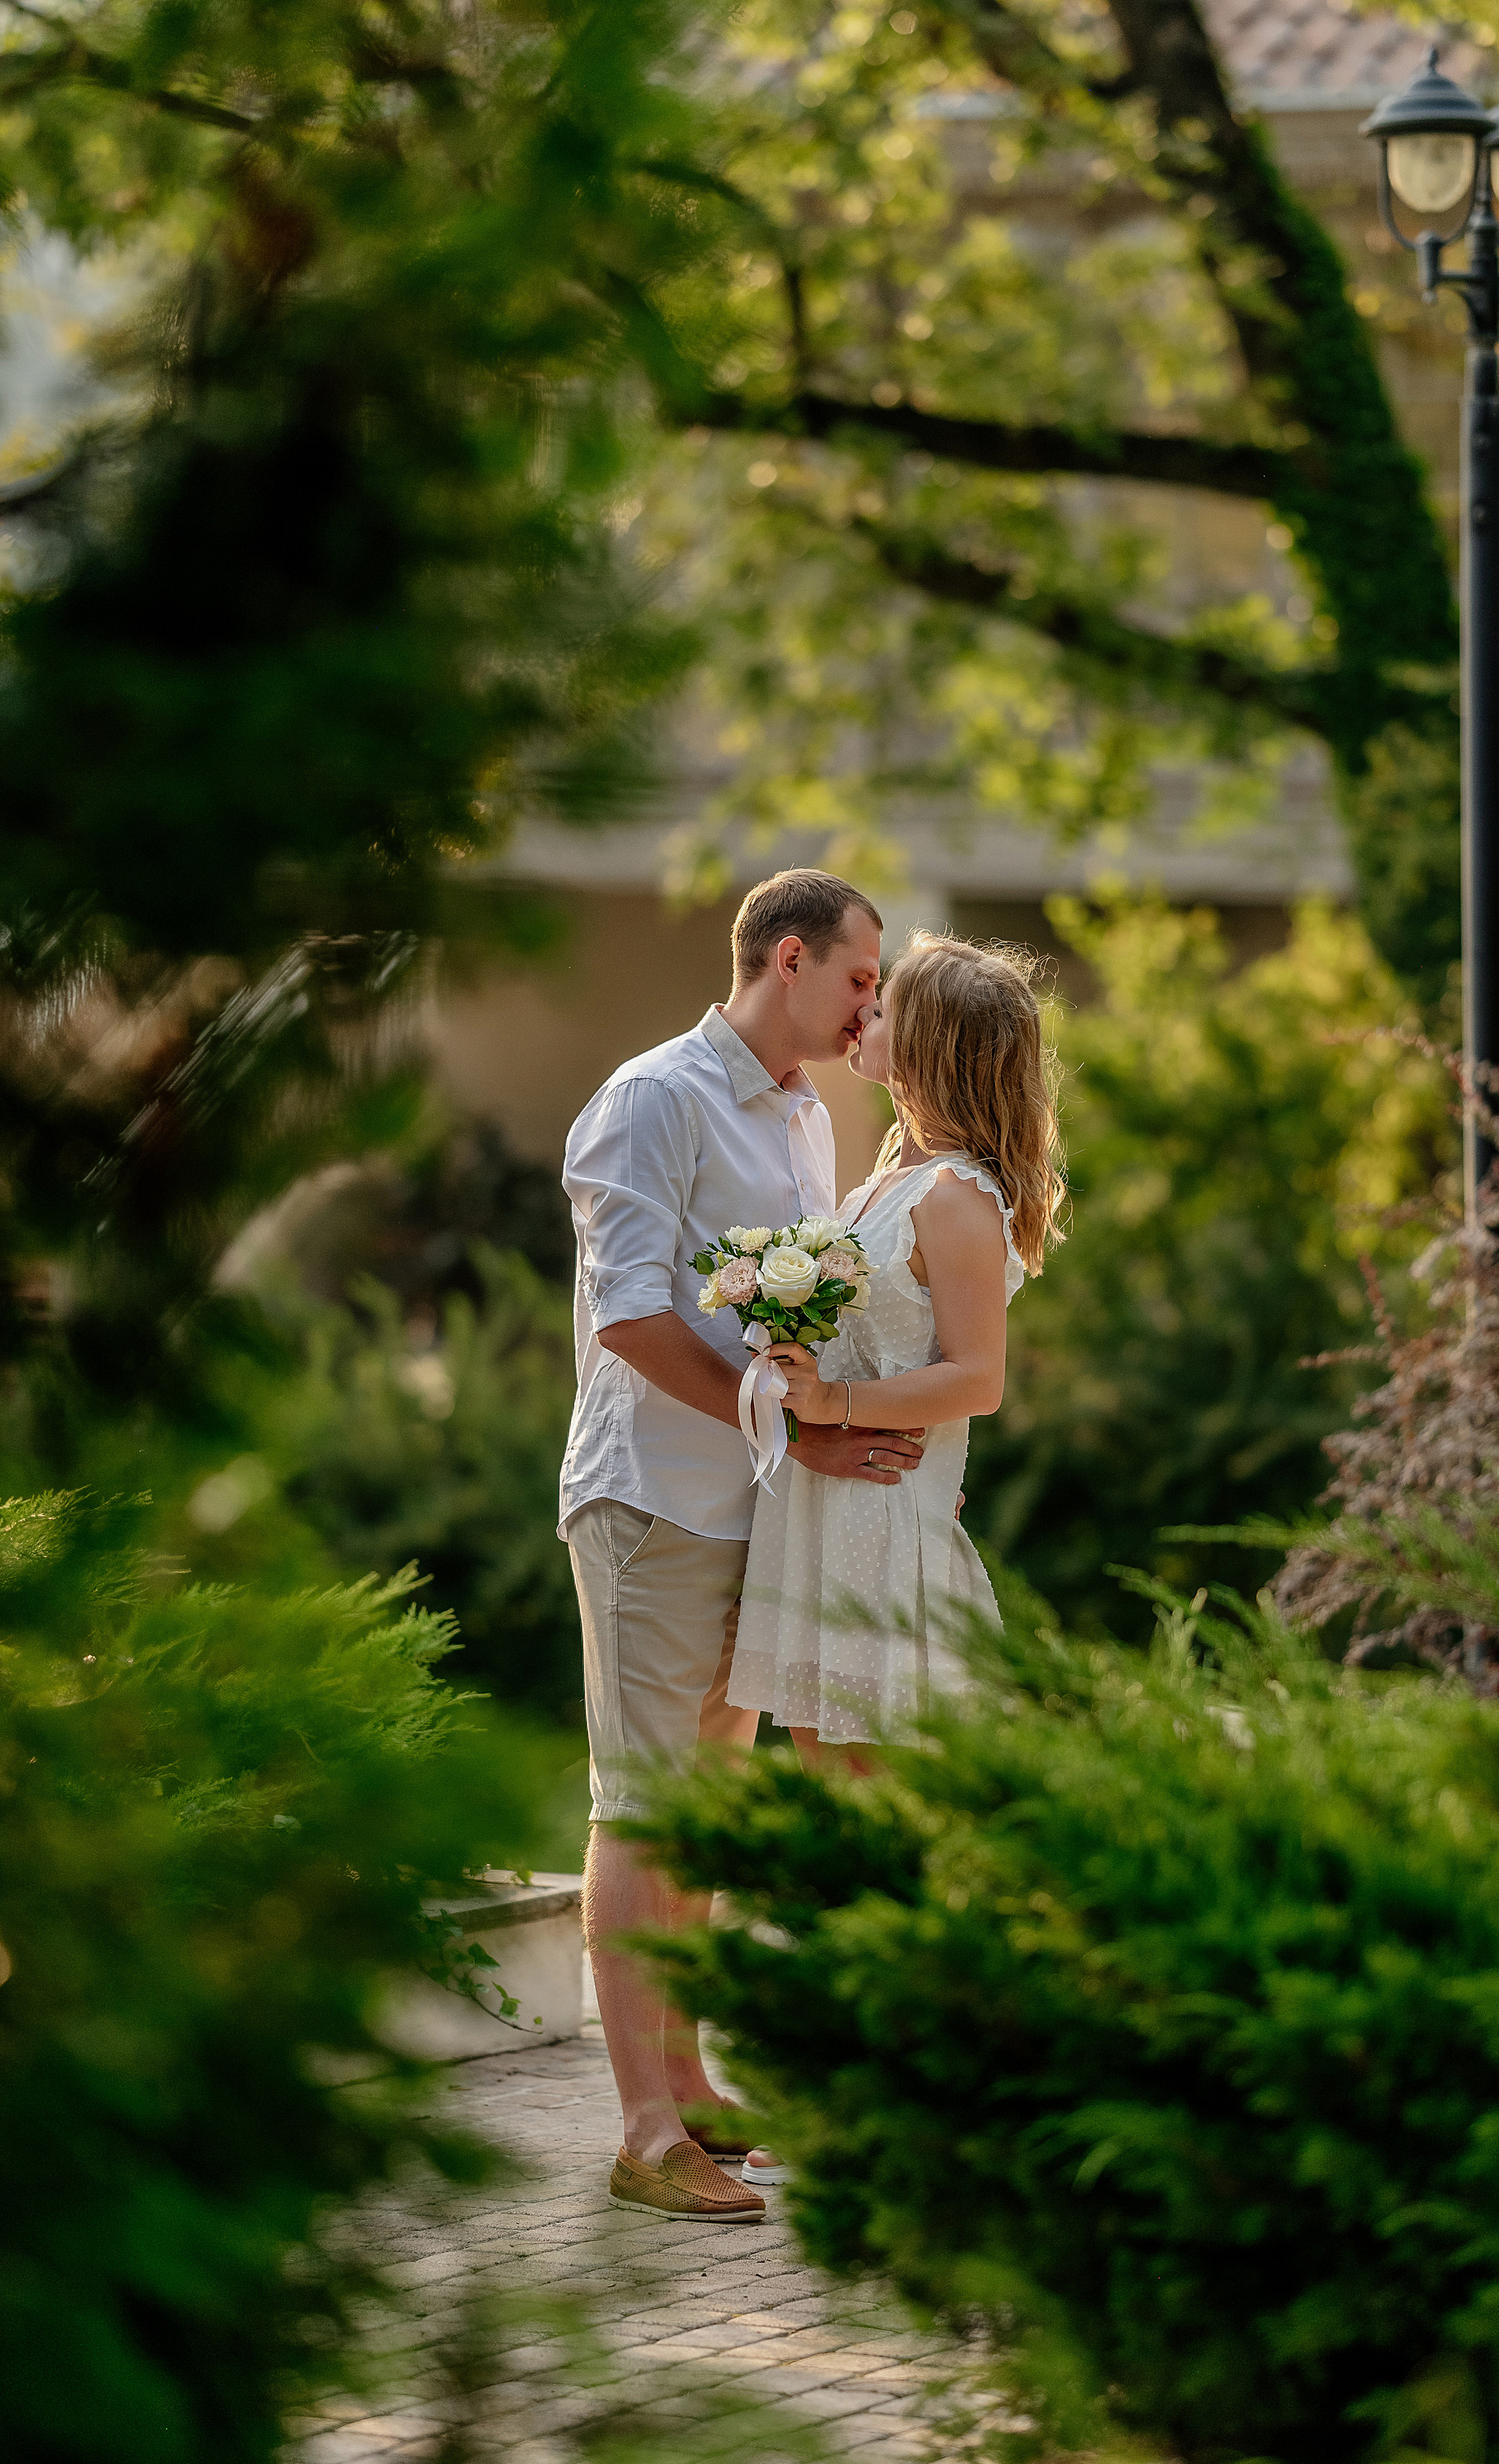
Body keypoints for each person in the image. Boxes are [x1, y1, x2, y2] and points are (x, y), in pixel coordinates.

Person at [559, 868, 926, 2222]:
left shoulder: (804, 1120)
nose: (867, 1007)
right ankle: (642, 2131)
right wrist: (782, 1414)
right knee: (640, 1805)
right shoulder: (651, 1098)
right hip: (651, 1502)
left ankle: (695, 2088)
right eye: (857, 980)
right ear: (787, 957)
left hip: (752, 1507)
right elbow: (630, 1318)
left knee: (702, 1813)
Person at [728, 929, 1065, 1760]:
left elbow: (978, 1377)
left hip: (881, 1525)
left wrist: (833, 1403)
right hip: (821, 1512)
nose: (860, 1020)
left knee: (878, 1798)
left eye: (880, 1011)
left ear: (927, 1046)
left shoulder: (956, 1196)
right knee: (829, 1793)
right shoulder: (884, 1179)